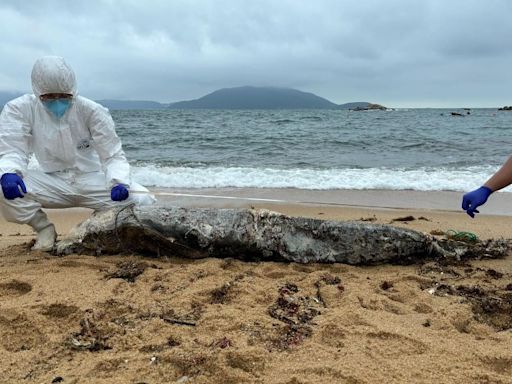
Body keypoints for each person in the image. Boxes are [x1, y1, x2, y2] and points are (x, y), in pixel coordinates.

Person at [0, 56, 155, 251]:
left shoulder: (92, 110)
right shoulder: (19, 109)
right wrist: (9, 172)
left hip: (91, 179)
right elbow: (14, 149)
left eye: (64, 96)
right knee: (2, 187)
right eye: (49, 97)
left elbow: (112, 155)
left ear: (72, 90)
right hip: (52, 181)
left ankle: (101, 224)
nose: (57, 101)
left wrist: (119, 181)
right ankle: (44, 229)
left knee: (143, 199)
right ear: (37, 92)